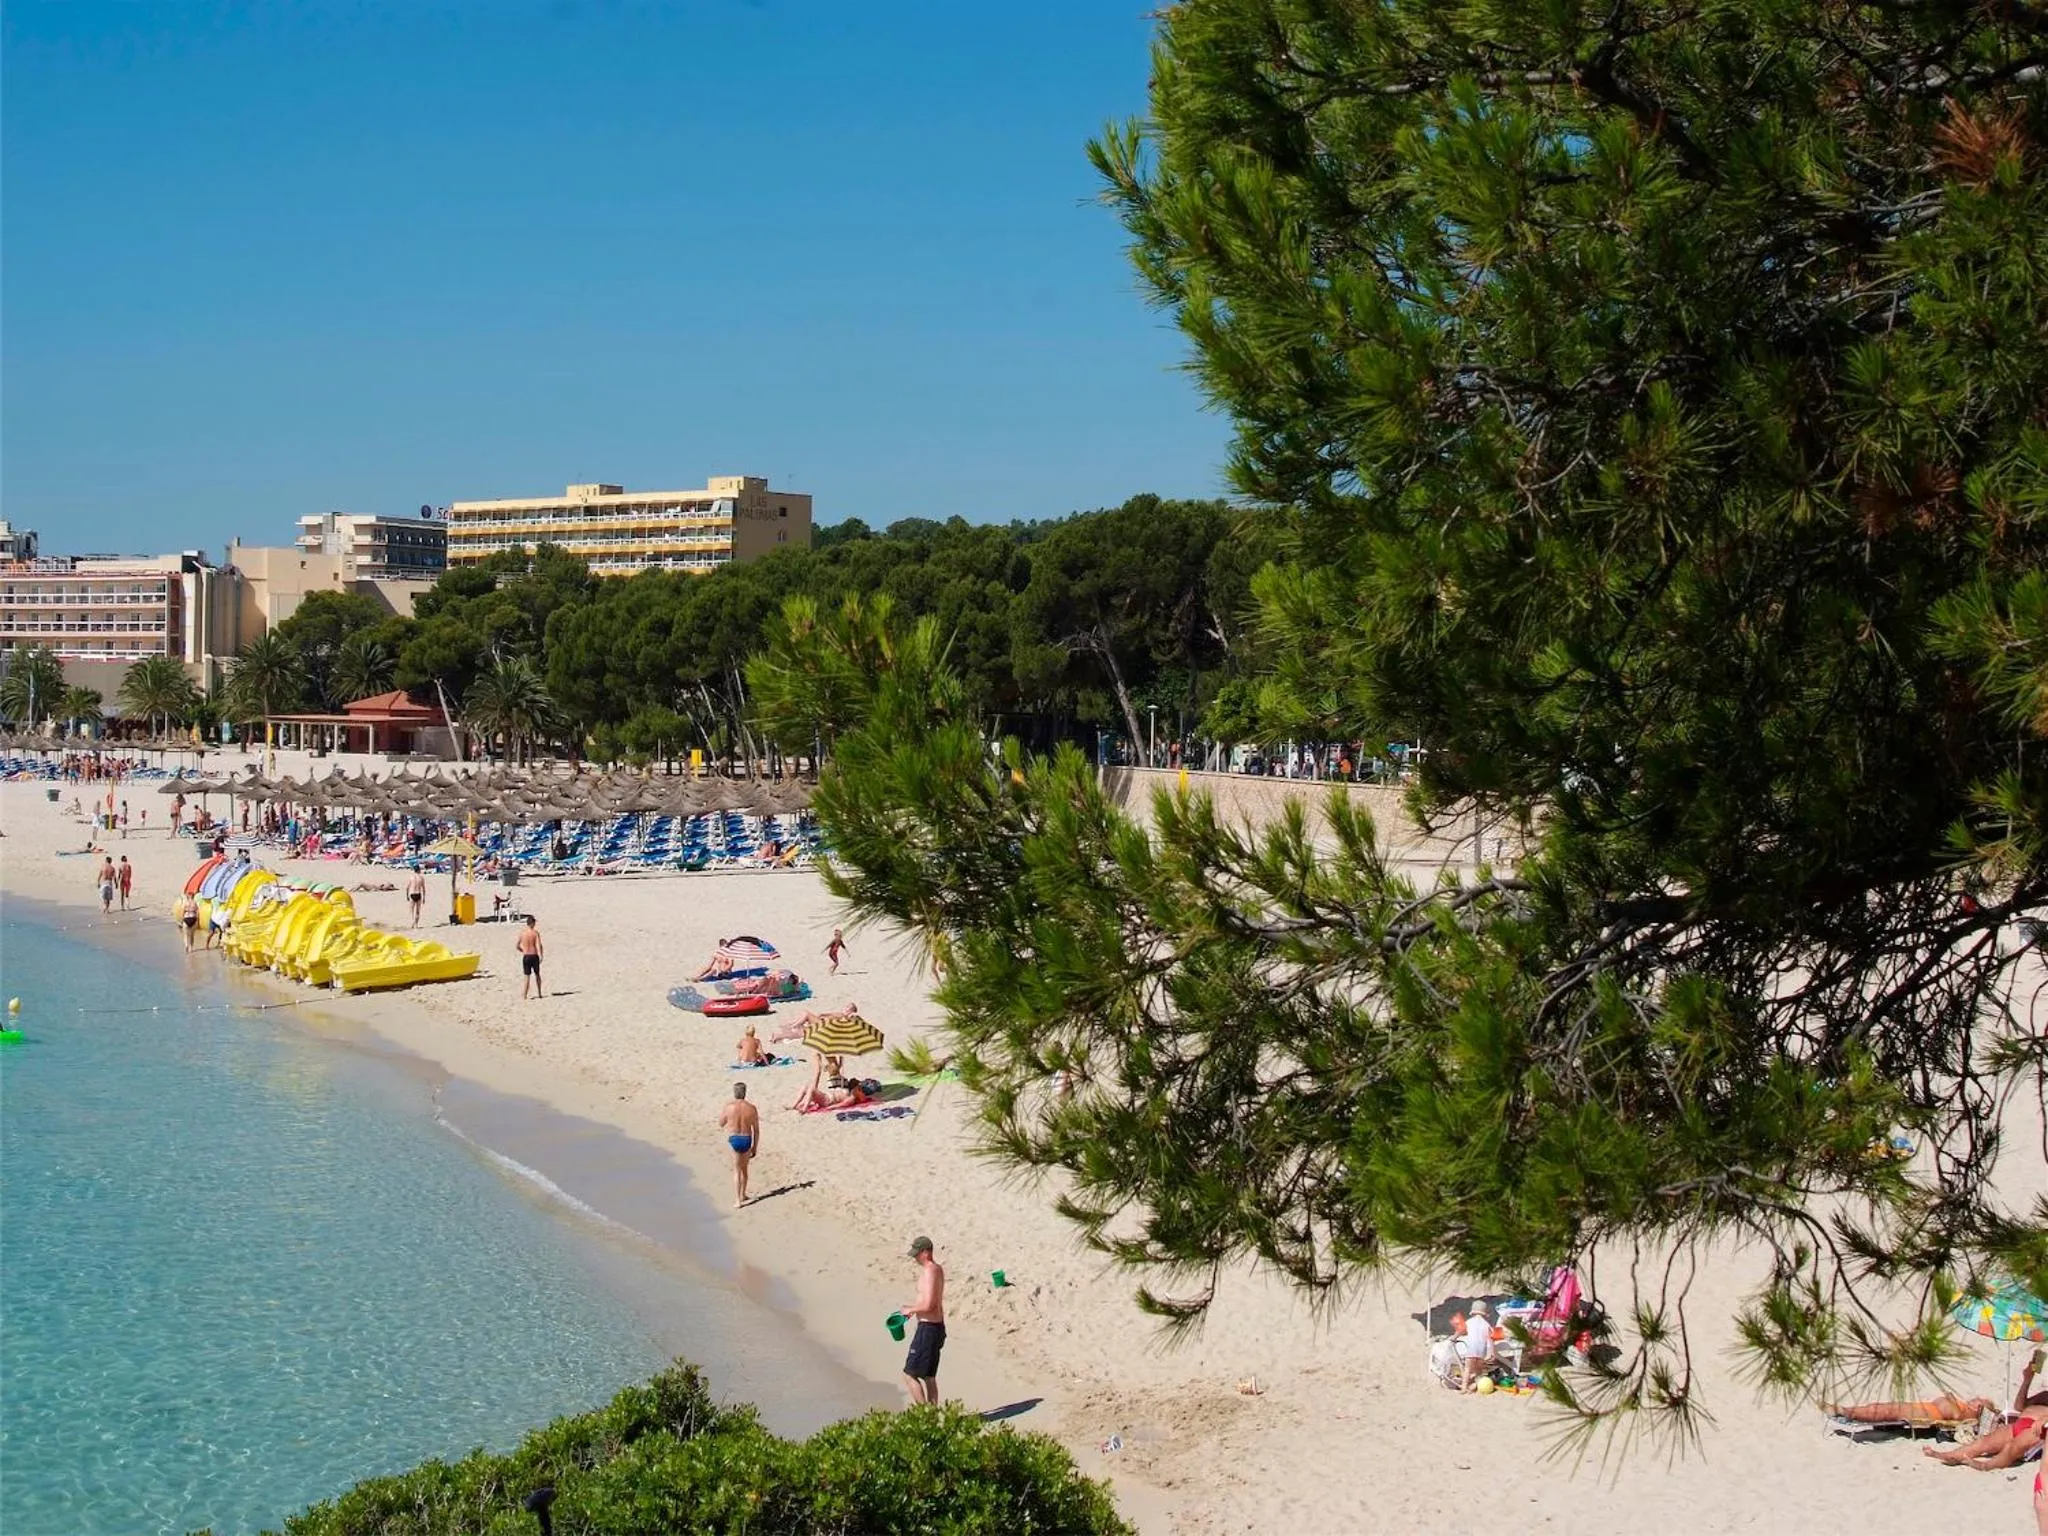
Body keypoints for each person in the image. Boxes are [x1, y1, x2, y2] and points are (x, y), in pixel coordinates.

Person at [1925, 1354, 2048, 1468]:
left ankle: (1986, 1466)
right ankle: (1951, 1456)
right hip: (2019, 1423)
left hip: (2037, 1429)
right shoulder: (2044, 1395)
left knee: (2011, 1448)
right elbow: (2019, 1406)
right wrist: (2027, 1379)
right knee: (1984, 1441)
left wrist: (2044, 1419)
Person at [901, 1235, 947, 1405]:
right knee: (929, 1376)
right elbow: (929, 1301)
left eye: (917, 1254)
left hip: (928, 1329)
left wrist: (910, 1310)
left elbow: (929, 1305)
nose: (915, 1258)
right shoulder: (937, 1269)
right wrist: (912, 1309)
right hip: (935, 1327)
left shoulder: (930, 1271)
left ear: (926, 1252)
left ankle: (925, 1417)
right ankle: (932, 1417)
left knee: (909, 1374)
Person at [718, 1082, 761, 1208]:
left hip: (735, 1138)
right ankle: (743, 1194)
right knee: (744, 1169)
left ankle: (738, 1200)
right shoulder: (751, 1108)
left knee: (736, 1170)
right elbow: (756, 1130)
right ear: (745, 1093)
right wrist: (755, 1147)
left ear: (734, 1093)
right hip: (747, 1138)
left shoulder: (729, 1107)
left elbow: (721, 1123)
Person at [1457, 1300, 1498, 1392]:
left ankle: (1464, 1388)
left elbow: (1461, 1331)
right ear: (1484, 1313)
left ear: (1473, 1312)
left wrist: (1455, 1337)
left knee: (1467, 1369)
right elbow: (1490, 1339)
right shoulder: (1486, 1325)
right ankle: (1475, 1386)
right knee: (1478, 1372)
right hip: (1481, 1351)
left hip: (1470, 1349)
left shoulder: (1469, 1322)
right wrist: (1491, 1352)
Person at [516, 915, 544, 999]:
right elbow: (539, 945)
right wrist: (541, 955)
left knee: (526, 976)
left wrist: (522, 950)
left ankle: (525, 995)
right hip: (534, 955)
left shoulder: (522, 933)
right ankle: (539, 993)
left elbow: (517, 945)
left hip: (526, 956)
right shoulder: (535, 933)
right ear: (532, 923)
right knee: (537, 975)